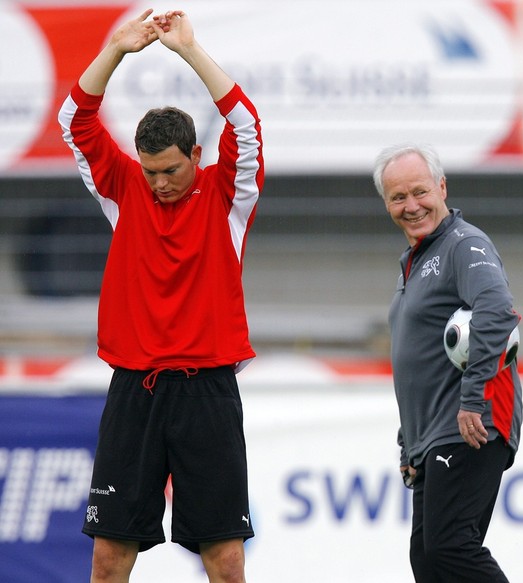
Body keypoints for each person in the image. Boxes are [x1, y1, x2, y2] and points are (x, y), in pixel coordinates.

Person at [58, 9, 263, 583]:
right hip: (134, 390)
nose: (159, 183)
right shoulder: (124, 189)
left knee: (224, 561)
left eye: (170, 170)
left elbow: (247, 125)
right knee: (107, 559)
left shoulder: (227, 198)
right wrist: (117, 49)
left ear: (196, 156)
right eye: (150, 172)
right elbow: (76, 119)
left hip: (209, 390)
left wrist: (189, 50)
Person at [373, 143, 523, 582]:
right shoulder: (414, 262)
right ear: (386, 203)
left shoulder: (464, 243)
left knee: (449, 547)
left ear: (441, 186)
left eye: (419, 191)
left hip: (472, 423)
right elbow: (418, 360)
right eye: (398, 197)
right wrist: (409, 441)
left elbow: (497, 310)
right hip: (433, 435)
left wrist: (473, 397)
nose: (411, 206)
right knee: (428, 558)